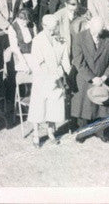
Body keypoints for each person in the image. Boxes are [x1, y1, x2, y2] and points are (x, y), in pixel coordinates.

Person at [70, 15, 109, 143]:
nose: (98, 35)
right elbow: (78, 62)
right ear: (89, 25)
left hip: (103, 78)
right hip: (86, 78)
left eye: (100, 32)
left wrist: (105, 76)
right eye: (95, 32)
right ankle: (82, 132)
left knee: (102, 106)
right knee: (84, 107)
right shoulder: (79, 38)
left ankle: (101, 131)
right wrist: (92, 78)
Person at [27, 14, 70, 147]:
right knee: (39, 107)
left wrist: (68, 72)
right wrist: (52, 72)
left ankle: (51, 132)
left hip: (56, 79)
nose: (52, 32)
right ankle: (36, 135)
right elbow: (38, 63)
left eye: (54, 29)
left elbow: (64, 59)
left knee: (54, 106)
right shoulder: (37, 40)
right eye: (50, 29)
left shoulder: (60, 39)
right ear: (43, 26)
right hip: (42, 79)